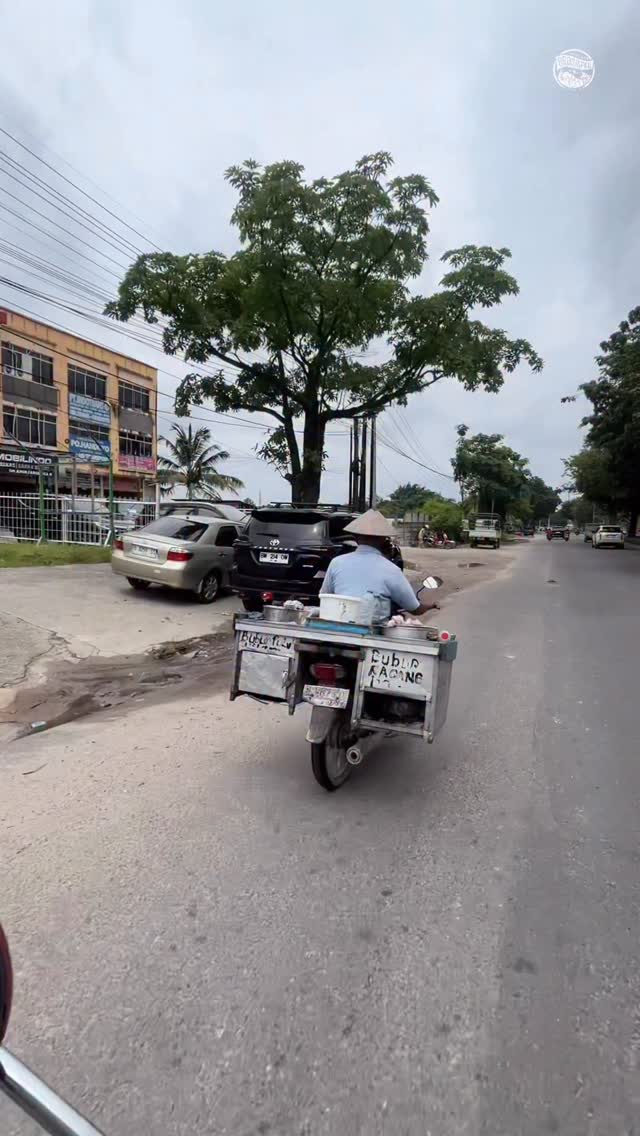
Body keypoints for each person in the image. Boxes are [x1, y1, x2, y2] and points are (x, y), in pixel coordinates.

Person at [320, 509, 439, 621]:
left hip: (337, 626)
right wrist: (431, 605)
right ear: (384, 540)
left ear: (356, 538)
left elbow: (324, 596)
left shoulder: (336, 562)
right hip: (373, 634)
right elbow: (414, 608)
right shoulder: (392, 570)